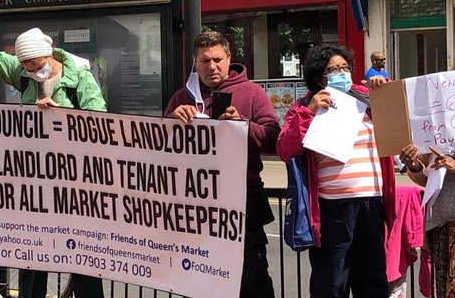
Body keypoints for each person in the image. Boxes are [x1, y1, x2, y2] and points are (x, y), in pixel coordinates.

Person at [0, 0, 106, 298]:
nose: (31, 70)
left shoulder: (79, 75)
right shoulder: (21, 71)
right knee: (32, 254)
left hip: (73, 180)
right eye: (25, 66)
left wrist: (60, 115)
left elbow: (98, 120)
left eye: (36, 64)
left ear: (50, 55)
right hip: (34, 180)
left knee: (83, 253)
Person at [164, 30, 279, 298]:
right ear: (195, 61)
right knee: (199, 280)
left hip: (242, 201)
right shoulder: (182, 97)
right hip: (196, 203)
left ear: (229, 57)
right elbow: (160, 151)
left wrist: (242, 127)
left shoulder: (252, 93)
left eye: (217, 59)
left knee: (251, 277)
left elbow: (274, 140)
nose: (212, 67)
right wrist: (170, 122)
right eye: (204, 61)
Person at [276, 44, 395, 298]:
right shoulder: (305, 106)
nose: (341, 72)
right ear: (319, 77)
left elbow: (399, 113)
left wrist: (383, 88)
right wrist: (309, 112)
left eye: (345, 67)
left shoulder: (365, 97)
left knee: (372, 281)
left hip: (371, 204)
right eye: (333, 69)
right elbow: (286, 149)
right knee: (331, 283)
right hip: (332, 210)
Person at [399, 144, 455, 297]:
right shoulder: (435, 127)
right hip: (440, 224)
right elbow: (428, 179)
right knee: (444, 289)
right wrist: (414, 165)